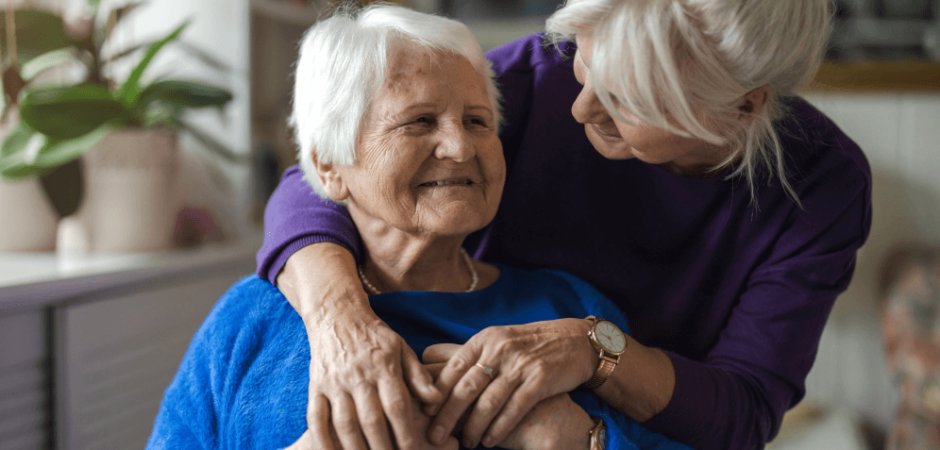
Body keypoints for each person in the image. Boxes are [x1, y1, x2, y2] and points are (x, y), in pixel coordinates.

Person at [260, 1, 873, 449]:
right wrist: (342, 325)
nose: (580, 108)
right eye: (587, 63)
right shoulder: (539, 76)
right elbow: (323, 179)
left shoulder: (822, 184)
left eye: (629, 98)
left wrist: (593, 353)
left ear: (743, 106)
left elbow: (743, 411)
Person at [145, 6, 694, 449]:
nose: (460, 147)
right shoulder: (253, 319)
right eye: (419, 122)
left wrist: (581, 440)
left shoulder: (572, 308)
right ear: (330, 165)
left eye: (478, 122)